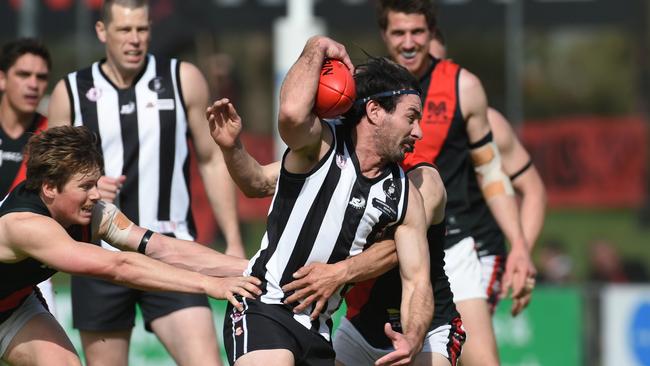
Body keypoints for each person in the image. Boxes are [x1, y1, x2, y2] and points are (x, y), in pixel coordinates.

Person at [211, 36, 434, 366]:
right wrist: (316, 47)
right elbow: (289, 114)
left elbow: (417, 282)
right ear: (375, 111)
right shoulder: (320, 145)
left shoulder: (405, 196)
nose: (418, 132)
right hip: (263, 306)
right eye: (410, 117)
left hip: (317, 332)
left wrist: (414, 336)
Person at [47, 1, 244, 365]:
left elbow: (211, 159)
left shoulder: (182, 78)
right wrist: (85, 187)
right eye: (124, 30)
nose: (134, 40)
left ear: (151, 29)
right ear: (102, 32)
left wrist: (232, 240)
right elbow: (52, 178)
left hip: (172, 249)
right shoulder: (71, 91)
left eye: (141, 29)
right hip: (98, 258)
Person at [0, 125, 261, 366]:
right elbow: (118, 266)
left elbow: (162, 248)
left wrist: (253, 267)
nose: (96, 195)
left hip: (12, 308)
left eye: (96, 183)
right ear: (49, 188)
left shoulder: (91, 213)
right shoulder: (25, 225)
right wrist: (209, 284)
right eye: (85, 186)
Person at [375, 1, 536, 365]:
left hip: (452, 245)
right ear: (385, 35)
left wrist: (520, 245)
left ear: (431, 33)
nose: (409, 42)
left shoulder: (464, 87)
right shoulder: (365, 90)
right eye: (399, 33)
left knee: (481, 360)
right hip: (386, 249)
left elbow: (491, 174)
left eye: (417, 32)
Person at [428, 30, 547, 313]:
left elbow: (534, 191)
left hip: (478, 251)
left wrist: (521, 251)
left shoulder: (488, 123)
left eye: (433, 64)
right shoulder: (392, 120)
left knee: (463, 347)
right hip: (419, 247)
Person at [0, 38, 57, 316]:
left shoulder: (53, 137)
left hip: (29, 264)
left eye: (41, 77)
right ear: (1, 78)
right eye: (24, 74)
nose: (33, 84)